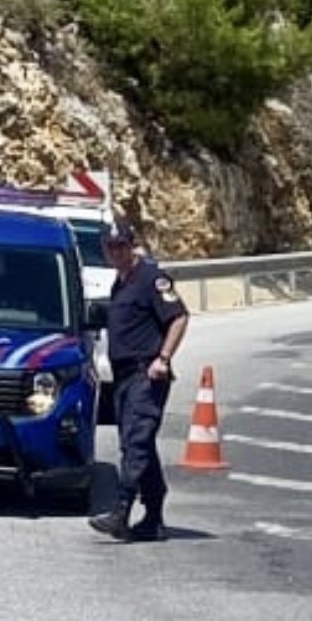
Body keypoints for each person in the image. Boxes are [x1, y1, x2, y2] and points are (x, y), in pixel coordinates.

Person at [88, 218, 189, 542]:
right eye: (110, 247)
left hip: (146, 374)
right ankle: (153, 517)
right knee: (137, 445)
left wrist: (163, 359)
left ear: (132, 245)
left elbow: (179, 317)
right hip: (122, 377)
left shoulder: (152, 278)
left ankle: (121, 511)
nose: (116, 252)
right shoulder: (120, 283)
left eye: (121, 246)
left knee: (137, 442)